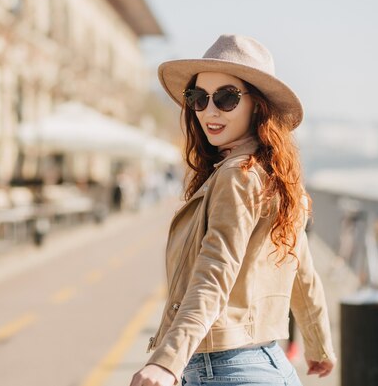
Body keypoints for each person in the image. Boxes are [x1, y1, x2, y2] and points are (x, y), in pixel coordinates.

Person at [129, 34, 336, 386]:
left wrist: (168, 361)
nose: (210, 110)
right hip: (268, 364)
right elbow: (299, 265)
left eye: (226, 98)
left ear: (257, 105)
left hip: (225, 370)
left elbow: (215, 270)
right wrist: (318, 343)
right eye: (198, 98)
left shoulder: (236, 176)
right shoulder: (274, 175)